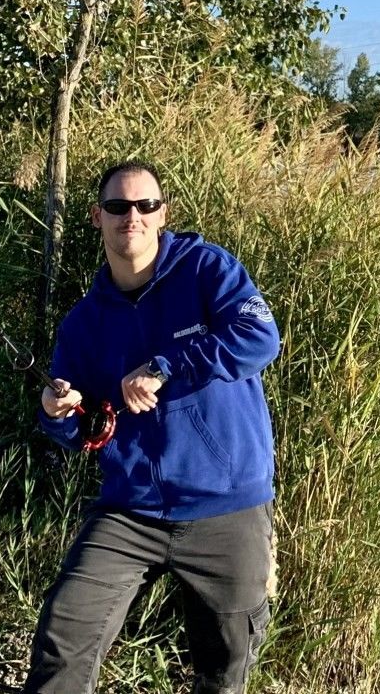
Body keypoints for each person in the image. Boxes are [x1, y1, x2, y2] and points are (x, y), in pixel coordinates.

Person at [26, 160, 280, 694]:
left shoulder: (208, 270)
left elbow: (260, 339)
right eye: (118, 207)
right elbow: (82, 430)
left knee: (224, 668)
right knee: (63, 634)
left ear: (164, 213)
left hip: (227, 505)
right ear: (97, 217)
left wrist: (167, 366)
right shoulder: (83, 323)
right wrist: (58, 412)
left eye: (145, 205)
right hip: (130, 509)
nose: (132, 217)